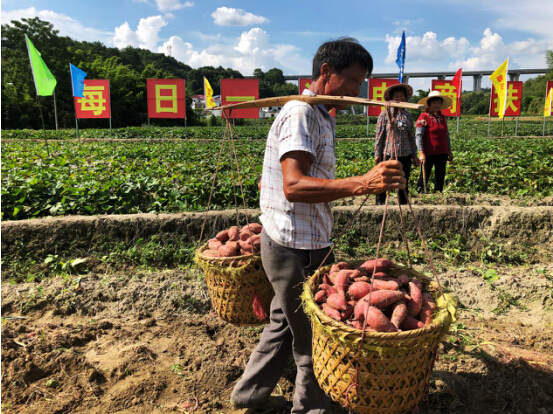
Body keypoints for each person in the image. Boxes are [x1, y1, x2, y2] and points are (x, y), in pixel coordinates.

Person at [230, 37, 406, 414]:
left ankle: (248, 396)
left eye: (362, 84)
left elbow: (280, 180)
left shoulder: (320, 116)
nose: (357, 92)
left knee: (284, 322)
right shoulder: (300, 113)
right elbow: (294, 185)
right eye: (354, 81)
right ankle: (312, 409)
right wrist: (364, 183)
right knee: (313, 337)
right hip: (290, 244)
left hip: (311, 239)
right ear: (326, 72)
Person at [374, 83, 420, 205]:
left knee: (403, 180)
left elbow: (411, 136)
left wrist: (415, 155)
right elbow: (380, 135)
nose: (398, 99)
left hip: (405, 153)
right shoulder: (384, 115)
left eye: (401, 96)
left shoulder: (408, 116)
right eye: (396, 96)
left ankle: (403, 203)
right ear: (391, 99)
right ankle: (380, 203)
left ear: (405, 99)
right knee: (384, 178)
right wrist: (377, 153)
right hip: (388, 153)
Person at [415, 90, 454, 193]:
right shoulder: (424, 117)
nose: (436, 105)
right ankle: (419, 195)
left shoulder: (443, 117)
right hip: (428, 153)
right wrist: (421, 152)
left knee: (440, 177)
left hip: (442, 152)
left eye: (438, 102)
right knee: (424, 176)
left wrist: (449, 150)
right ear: (429, 104)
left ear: (441, 104)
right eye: (434, 102)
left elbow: (446, 135)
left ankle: (438, 195)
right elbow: (418, 135)